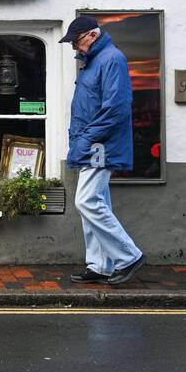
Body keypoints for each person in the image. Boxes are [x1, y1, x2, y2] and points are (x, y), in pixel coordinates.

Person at [61, 16, 145, 285]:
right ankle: (99, 265)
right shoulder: (96, 61)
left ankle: (129, 256)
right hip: (93, 142)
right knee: (96, 202)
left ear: (92, 35)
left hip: (99, 145)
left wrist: (86, 139)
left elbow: (117, 108)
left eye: (76, 41)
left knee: (86, 201)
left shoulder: (111, 59)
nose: (75, 48)